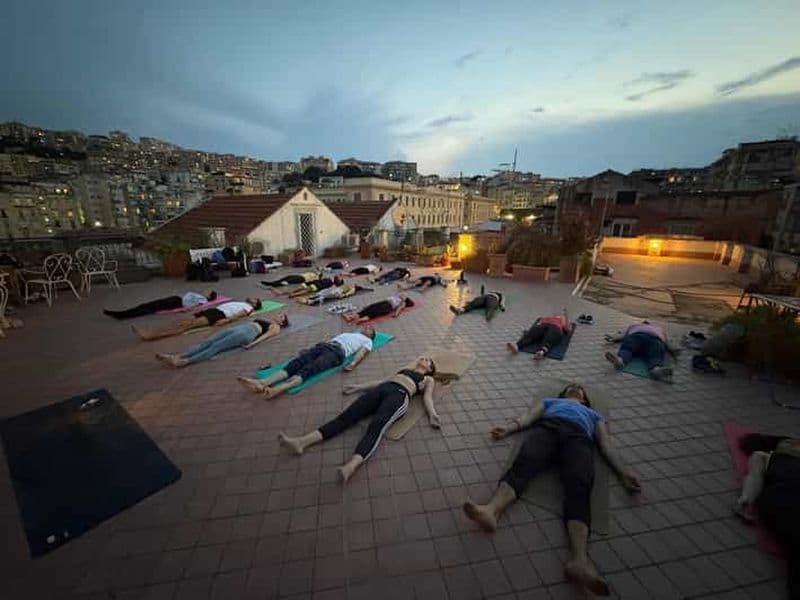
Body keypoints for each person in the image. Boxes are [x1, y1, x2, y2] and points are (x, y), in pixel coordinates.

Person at [462, 384, 641, 597]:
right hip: (548, 429)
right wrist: (508, 429)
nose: (575, 388)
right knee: (524, 463)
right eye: (570, 387)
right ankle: (491, 511)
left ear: (585, 399)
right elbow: (528, 417)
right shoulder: (551, 402)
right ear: (563, 394)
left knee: (580, 485)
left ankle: (579, 561)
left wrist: (623, 472)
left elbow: (606, 445)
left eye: (579, 388)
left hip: (579, 439)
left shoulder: (594, 415)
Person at [277, 356, 438, 483]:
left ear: (429, 368)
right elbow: (383, 381)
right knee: (346, 417)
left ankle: (351, 466)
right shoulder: (404, 370)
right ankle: (302, 442)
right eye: (423, 357)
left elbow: (428, 397)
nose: (423, 359)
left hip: (400, 396)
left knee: (376, 427)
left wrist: (432, 414)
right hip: (382, 389)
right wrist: (358, 387)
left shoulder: (428, 380)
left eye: (427, 360)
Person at [735, 433, 800, 598]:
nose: (794, 444)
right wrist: (746, 498)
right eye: (789, 442)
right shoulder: (764, 456)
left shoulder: (768, 456)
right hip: (786, 492)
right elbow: (754, 477)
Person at [237, 326, 376, 399]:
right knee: (295, 364)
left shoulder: (368, 341)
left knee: (309, 369)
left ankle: (279, 389)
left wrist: (353, 364)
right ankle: (262, 383)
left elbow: (361, 353)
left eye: (370, 329)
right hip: (324, 346)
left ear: (371, 335)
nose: (367, 328)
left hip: (336, 353)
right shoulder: (350, 333)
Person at [156, 313, 290, 367]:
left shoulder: (276, 327)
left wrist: (252, 344)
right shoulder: (268, 319)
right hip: (240, 328)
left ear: (283, 323)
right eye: (279, 314)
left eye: (281, 317)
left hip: (248, 333)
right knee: (208, 342)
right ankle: (177, 356)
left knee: (216, 347)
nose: (278, 316)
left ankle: (185, 361)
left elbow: (266, 336)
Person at [131, 298, 262, 341]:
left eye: (255, 300)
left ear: (255, 305)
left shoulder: (248, 308)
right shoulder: (241, 301)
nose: (252, 298)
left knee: (188, 326)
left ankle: (151, 335)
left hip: (220, 315)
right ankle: (151, 331)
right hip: (213, 310)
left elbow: (239, 315)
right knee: (183, 321)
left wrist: (226, 321)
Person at [603, 320, 679, 382]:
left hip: (636, 337)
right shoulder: (659, 329)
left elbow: (623, 335)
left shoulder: (634, 325)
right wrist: (674, 350)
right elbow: (667, 342)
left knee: (627, 349)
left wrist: (613, 338)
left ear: (642, 323)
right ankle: (655, 369)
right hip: (655, 340)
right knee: (655, 356)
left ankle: (620, 360)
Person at [506, 308, 572, 359]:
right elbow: (539, 323)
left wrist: (566, 316)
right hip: (544, 325)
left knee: (550, 338)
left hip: (555, 327)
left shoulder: (563, 320)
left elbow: (567, 329)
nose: (558, 314)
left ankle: (541, 352)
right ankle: (516, 346)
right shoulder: (546, 318)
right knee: (531, 334)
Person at [103, 290, 217, 319]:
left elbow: (195, 305)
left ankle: (122, 315)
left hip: (175, 302)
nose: (205, 291)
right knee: (146, 306)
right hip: (175, 300)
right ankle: (122, 314)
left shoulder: (203, 299)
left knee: (148, 308)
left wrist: (186, 309)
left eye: (208, 292)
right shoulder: (200, 296)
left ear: (209, 296)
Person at [343, 294, 414, 323]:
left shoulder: (403, 302)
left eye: (405, 296)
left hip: (387, 307)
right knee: (368, 309)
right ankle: (351, 317)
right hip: (384, 303)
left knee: (372, 313)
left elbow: (400, 308)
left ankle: (357, 320)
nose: (404, 295)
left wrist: (396, 314)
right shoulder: (399, 296)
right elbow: (385, 300)